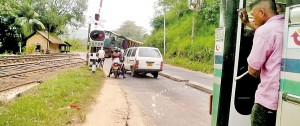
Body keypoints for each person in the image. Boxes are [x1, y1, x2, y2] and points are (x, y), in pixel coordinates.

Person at [239, 0, 284, 126]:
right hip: (281, 102)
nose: (253, 18)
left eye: (254, 15)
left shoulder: (264, 31)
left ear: (262, 12)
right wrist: (248, 23)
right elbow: (271, 33)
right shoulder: (286, 26)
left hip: (266, 103)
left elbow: (253, 69)